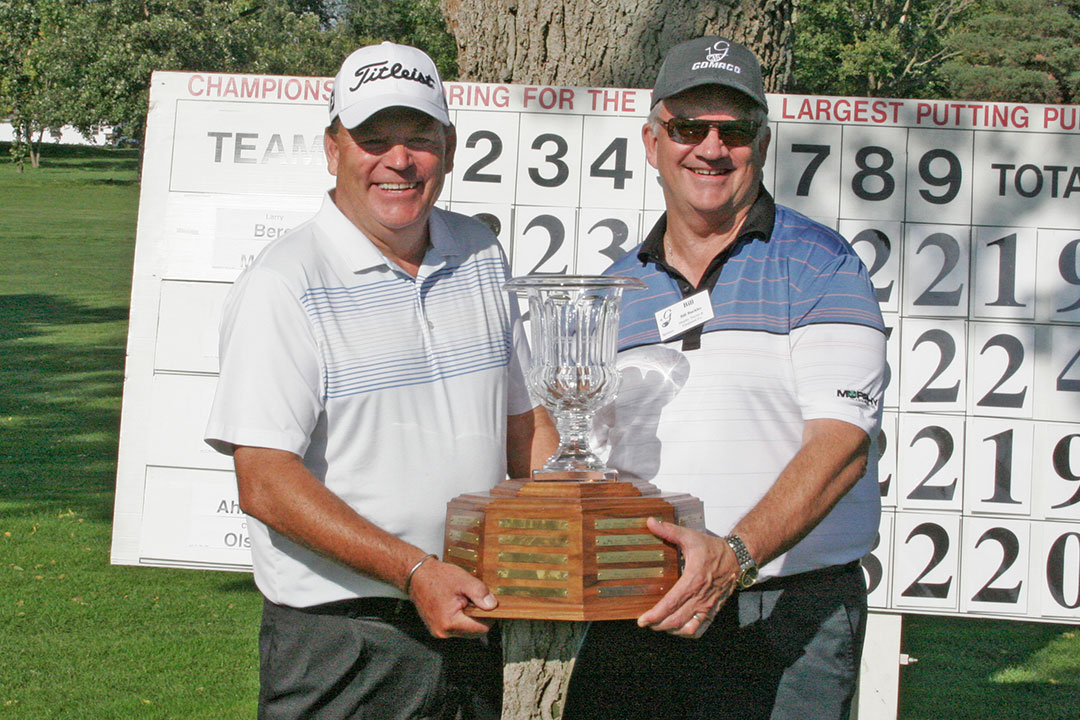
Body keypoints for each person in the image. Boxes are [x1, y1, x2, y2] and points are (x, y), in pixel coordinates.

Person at [204, 42, 555, 720]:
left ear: (449, 148)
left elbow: (523, 424)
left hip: (472, 623)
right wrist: (416, 571)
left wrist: (589, 521)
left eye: (418, 138)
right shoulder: (284, 283)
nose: (399, 160)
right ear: (334, 148)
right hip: (344, 646)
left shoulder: (480, 253)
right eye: (374, 138)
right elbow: (266, 481)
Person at [562, 36, 887, 720]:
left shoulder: (823, 266)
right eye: (687, 127)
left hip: (787, 613)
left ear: (761, 147)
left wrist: (734, 557)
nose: (710, 148)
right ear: (652, 143)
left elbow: (841, 446)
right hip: (642, 602)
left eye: (733, 130)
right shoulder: (614, 288)